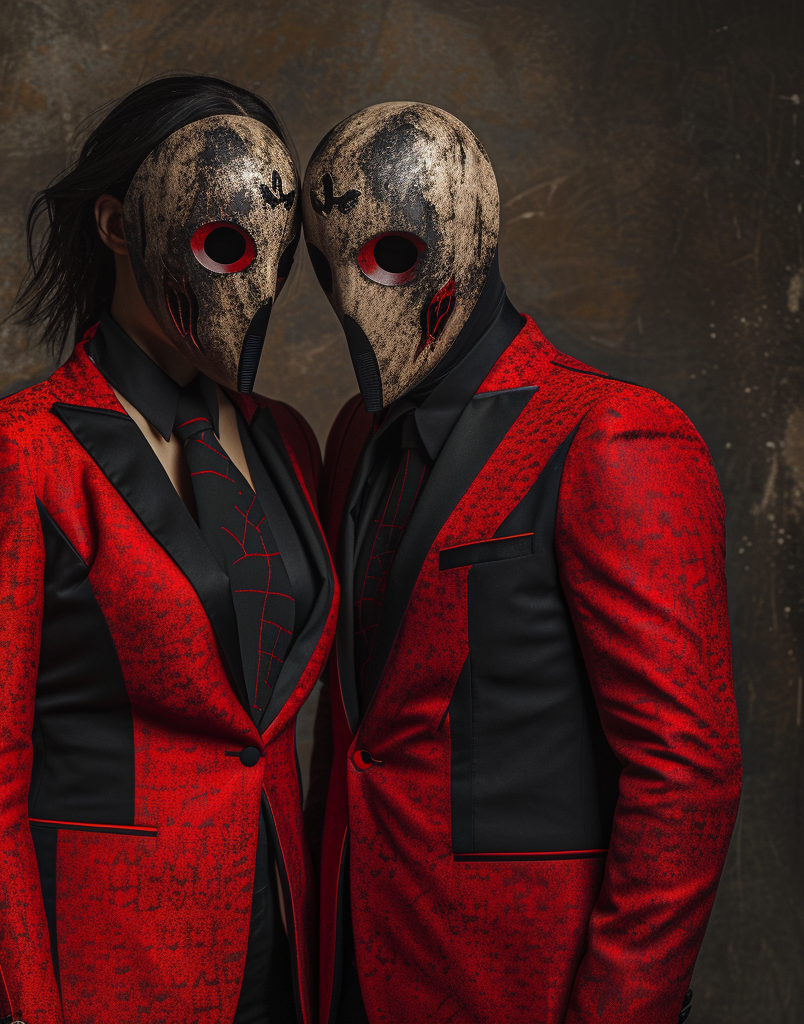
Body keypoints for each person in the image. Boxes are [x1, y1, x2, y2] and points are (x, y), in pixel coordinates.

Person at [302, 102, 742, 1024]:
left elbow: (686, 773)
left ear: (475, 237)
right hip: (347, 965)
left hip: (523, 983)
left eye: (388, 254)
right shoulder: (351, 437)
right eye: (327, 264)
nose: (353, 300)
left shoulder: (613, 434)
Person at [0, 75, 337, 1024]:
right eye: (218, 238)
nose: (247, 276)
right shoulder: (12, 453)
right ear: (115, 223)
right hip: (114, 959)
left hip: (285, 938)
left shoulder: (289, 441)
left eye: (266, 246)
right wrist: (25, 1010)